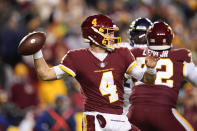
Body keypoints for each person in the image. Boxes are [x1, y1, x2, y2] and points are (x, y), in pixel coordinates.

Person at [30, 14, 159, 131]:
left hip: (119, 118)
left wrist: (151, 68)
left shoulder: (122, 53)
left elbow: (148, 80)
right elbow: (45, 74)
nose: (112, 36)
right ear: (94, 35)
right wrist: (37, 51)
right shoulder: (77, 57)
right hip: (96, 119)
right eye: (107, 33)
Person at [127, 21, 197, 131]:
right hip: (163, 111)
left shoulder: (135, 53)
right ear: (170, 38)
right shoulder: (181, 56)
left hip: (135, 112)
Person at [122, 18, 153, 115]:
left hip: (130, 99)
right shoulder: (158, 52)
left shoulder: (123, 48)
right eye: (137, 34)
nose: (140, 37)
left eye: (143, 34)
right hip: (129, 99)